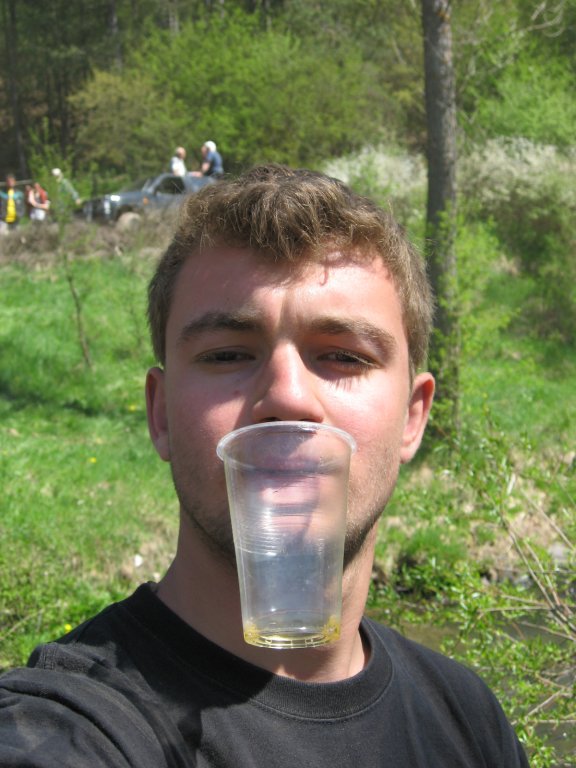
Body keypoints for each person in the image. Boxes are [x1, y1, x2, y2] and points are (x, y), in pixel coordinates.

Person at [0, 165, 529, 767]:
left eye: (344, 356)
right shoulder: (70, 730)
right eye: (227, 354)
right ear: (161, 414)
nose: (287, 397)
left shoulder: (467, 721)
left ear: (413, 417)